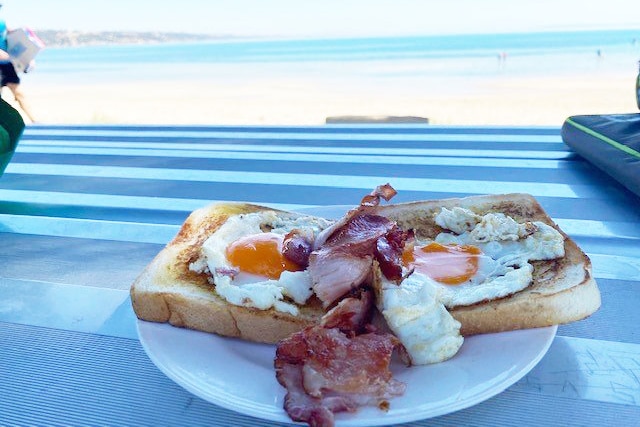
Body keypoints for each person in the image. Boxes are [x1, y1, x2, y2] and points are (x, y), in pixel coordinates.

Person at [0, 5, 37, 123]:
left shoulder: (2, 23)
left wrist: (28, 58)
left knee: (19, 94)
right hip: (4, 61)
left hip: (6, 65)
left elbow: (15, 39)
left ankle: (36, 123)